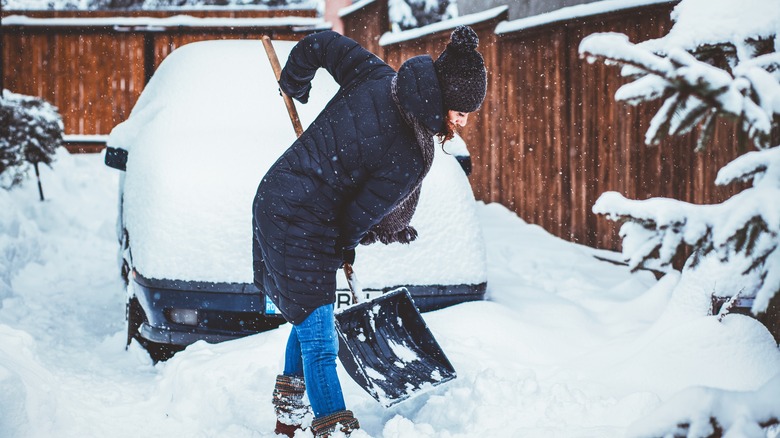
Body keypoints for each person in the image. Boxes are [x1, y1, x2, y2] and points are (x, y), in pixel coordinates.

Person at [252, 25, 487, 437]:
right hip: (300, 222)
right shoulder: (412, 154)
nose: (463, 122)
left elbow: (322, 44)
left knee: (309, 314)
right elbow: (359, 216)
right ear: (443, 97)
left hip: (278, 194)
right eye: (461, 110)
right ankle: (336, 429)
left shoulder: (379, 76)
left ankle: (286, 422)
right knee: (321, 343)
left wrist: (296, 79)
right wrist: (344, 246)